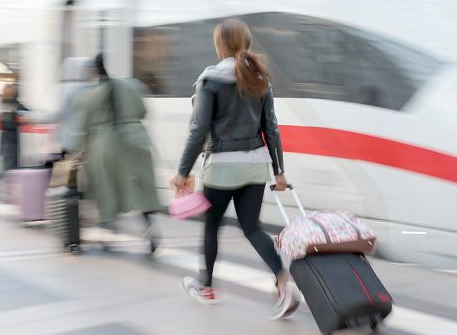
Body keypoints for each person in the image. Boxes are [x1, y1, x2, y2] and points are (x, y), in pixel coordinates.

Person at [172, 18, 299, 319]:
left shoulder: (210, 80)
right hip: (256, 165)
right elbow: (272, 129)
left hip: (221, 168)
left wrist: (182, 171)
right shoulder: (260, 80)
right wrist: (279, 171)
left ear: (219, 45)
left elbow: (198, 130)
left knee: (211, 226)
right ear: (246, 43)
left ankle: (206, 288)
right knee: (252, 227)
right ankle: (284, 281)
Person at [80, 53, 162, 251]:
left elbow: (86, 124)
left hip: (106, 142)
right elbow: (143, 111)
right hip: (136, 138)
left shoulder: (92, 93)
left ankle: (108, 233)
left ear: (94, 70)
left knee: (108, 188)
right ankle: (150, 229)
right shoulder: (131, 85)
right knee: (141, 188)